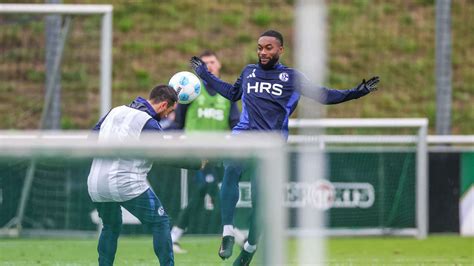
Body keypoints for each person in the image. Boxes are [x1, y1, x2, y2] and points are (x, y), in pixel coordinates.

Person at [190, 30, 380, 265]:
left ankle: (250, 247)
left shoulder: (292, 78)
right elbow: (232, 93)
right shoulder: (249, 71)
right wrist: (204, 74)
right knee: (231, 169)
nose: (262, 52)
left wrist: (356, 92)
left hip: (271, 145)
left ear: (280, 50)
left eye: (268, 47)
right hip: (244, 134)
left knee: (261, 200)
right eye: (259, 47)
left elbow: (323, 95)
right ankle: (228, 230)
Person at [87, 84, 178, 266]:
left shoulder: (115, 111)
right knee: (160, 222)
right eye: (170, 110)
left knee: (111, 226)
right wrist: (196, 163)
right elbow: (164, 156)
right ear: (163, 105)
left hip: (97, 183)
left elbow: (92, 138)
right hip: (125, 183)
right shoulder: (150, 124)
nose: (168, 115)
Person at [168, 50, 241, 254]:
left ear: (219, 66)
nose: (209, 65)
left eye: (212, 62)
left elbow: (235, 123)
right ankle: (236, 235)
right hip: (195, 155)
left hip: (217, 155)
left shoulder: (228, 94)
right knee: (208, 188)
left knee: (202, 193)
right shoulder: (190, 92)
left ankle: (173, 236)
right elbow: (178, 124)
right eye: (205, 63)